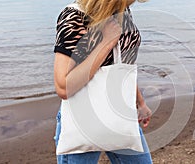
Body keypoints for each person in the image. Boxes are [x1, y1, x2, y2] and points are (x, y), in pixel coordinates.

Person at [53, 0, 153, 163]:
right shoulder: (75, 17)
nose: (134, 2)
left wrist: (139, 102)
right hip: (82, 120)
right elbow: (63, 86)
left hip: (121, 113)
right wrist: (106, 43)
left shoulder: (121, 11)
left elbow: (120, 64)